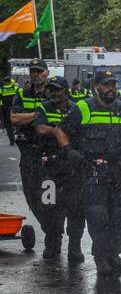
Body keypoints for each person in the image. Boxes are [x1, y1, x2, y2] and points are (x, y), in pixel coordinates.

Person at [49, 70, 121, 277]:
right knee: (98, 216)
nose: (110, 89)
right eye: (106, 85)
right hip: (93, 171)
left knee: (118, 216)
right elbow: (60, 130)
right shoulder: (84, 108)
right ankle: (101, 258)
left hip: (119, 171)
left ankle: (114, 256)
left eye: (113, 84)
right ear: (96, 87)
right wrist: (69, 151)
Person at [31, 77, 85, 262]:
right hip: (49, 167)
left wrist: (57, 130)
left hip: (72, 166)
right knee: (49, 208)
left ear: (65, 90)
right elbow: (40, 129)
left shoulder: (76, 107)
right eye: (51, 90)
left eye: (58, 90)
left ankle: (75, 246)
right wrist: (60, 130)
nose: (54, 93)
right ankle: (52, 243)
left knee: (76, 208)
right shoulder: (43, 108)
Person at [8, 60, 53, 246]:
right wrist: (38, 114)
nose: (36, 75)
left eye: (39, 71)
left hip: (50, 151)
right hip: (28, 150)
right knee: (31, 192)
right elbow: (14, 118)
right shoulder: (22, 93)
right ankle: (47, 225)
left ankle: (52, 229)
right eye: (33, 71)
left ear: (46, 73)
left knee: (49, 194)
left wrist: (29, 116)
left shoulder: (54, 92)